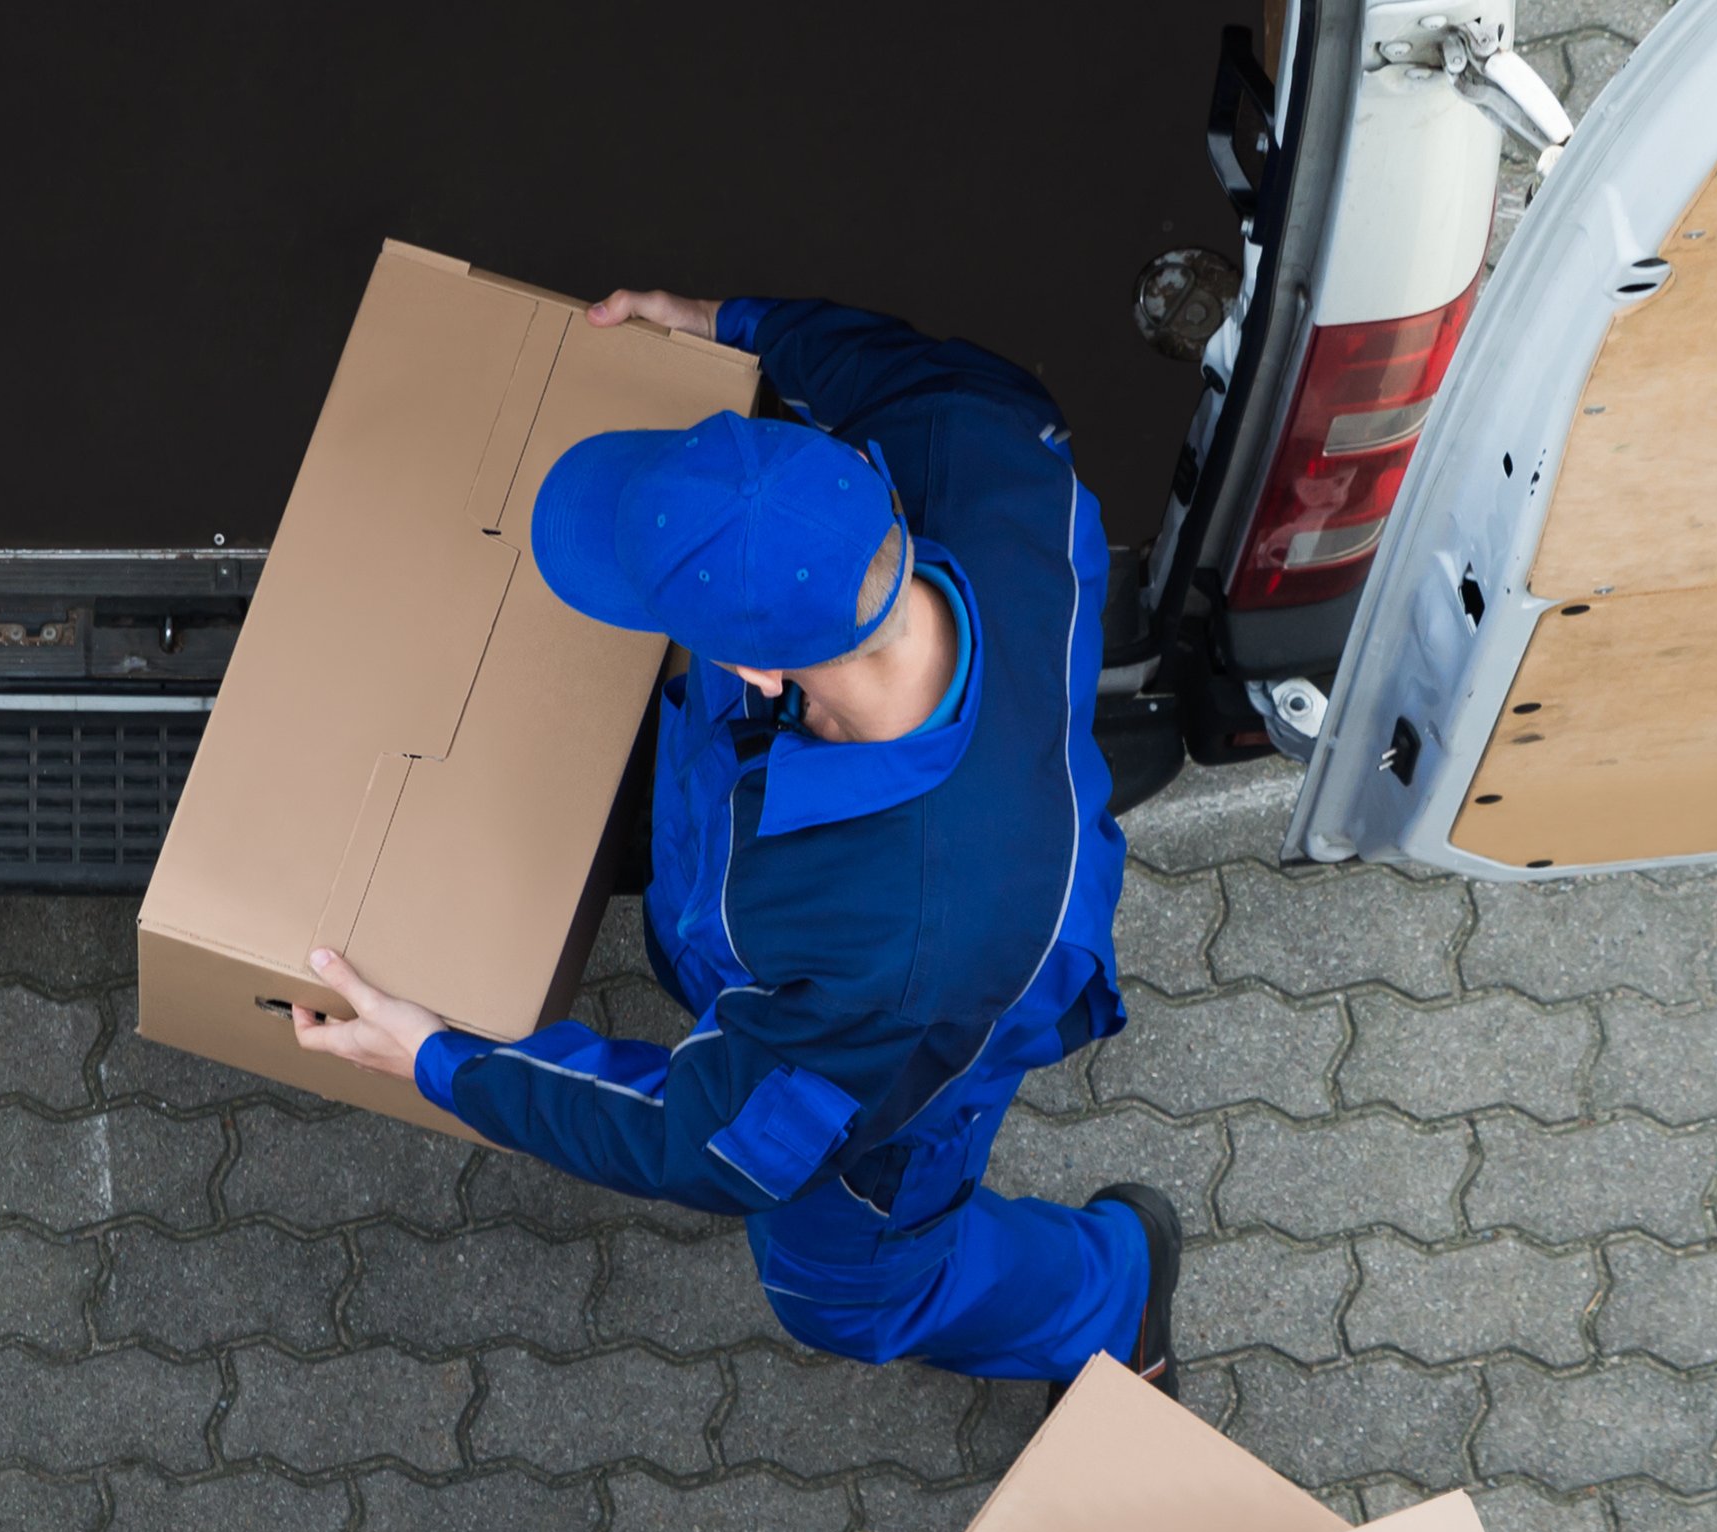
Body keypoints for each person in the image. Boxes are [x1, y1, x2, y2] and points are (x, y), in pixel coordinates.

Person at [281, 288, 1176, 1391]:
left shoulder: (896, 948)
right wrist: (725, 320)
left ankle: (1111, 1288)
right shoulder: (972, 438)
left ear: (755, 671)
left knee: (848, 1293)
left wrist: (440, 1061)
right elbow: (897, 365)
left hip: (942, 1018)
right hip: (932, 863)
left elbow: (710, 1140)